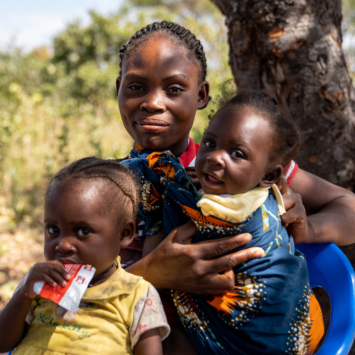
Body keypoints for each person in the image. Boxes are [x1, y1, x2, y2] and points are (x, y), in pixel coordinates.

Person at [115, 22, 355, 302]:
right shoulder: (104, 184)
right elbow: (76, 286)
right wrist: (151, 273)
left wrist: (307, 228)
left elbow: (349, 207)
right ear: (119, 88)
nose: (153, 102)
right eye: (136, 86)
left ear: (201, 95)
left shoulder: (235, 166)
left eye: (175, 89)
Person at [125, 90, 325, 354]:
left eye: (237, 153)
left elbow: (176, 230)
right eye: (210, 143)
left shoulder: (236, 212)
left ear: (270, 175)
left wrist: (164, 180)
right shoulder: (253, 190)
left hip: (256, 336)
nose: (215, 157)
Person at [0, 158, 170, 355]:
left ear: (124, 233)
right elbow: (3, 344)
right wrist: (25, 294)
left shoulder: (136, 294)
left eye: (83, 231)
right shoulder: (39, 282)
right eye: (53, 229)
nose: (62, 245)